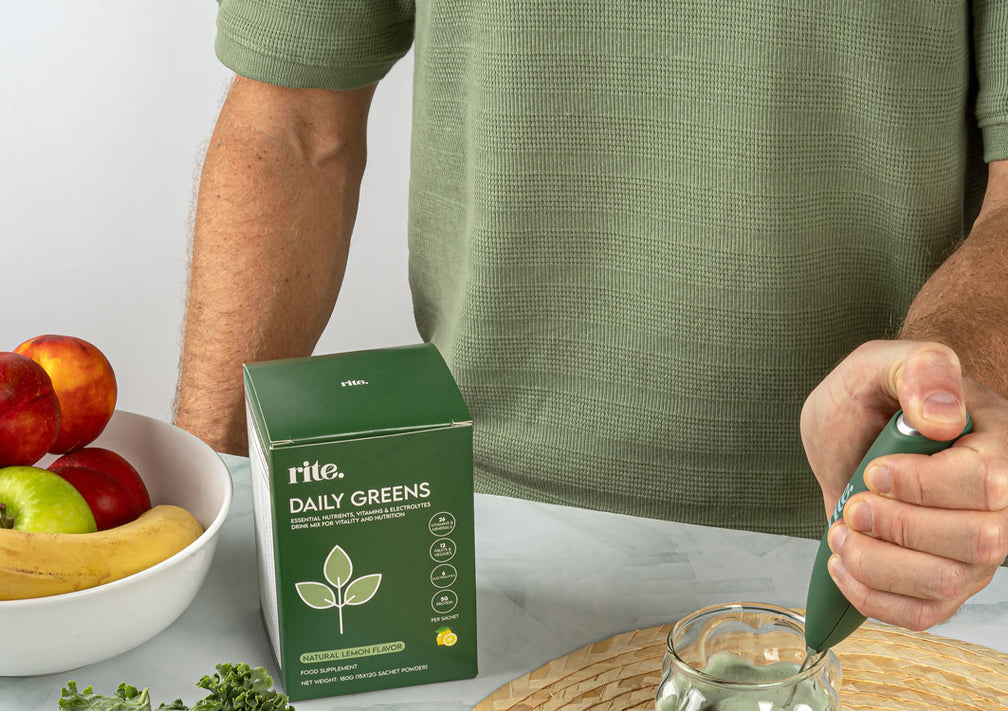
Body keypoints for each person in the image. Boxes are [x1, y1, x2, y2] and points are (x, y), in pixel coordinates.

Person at [174, 2, 1008, 637]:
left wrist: (940, 394)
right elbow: (292, 124)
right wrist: (192, 523)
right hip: (460, 547)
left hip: (889, 555)